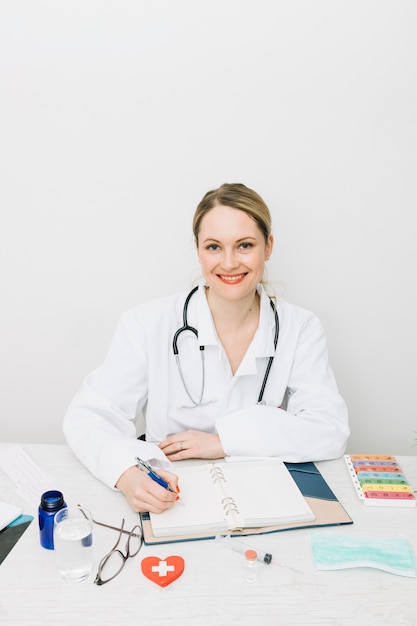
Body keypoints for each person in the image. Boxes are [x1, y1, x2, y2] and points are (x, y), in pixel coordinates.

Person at [63, 183, 349, 514]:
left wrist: (223, 441)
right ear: (198, 249)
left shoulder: (300, 327)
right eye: (214, 247)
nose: (229, 263)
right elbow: (89, 418)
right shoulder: (147, 323)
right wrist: (127, 475)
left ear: (268, 247)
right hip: (171, 494)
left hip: (259, 494)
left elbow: (330, 430)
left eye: (244, 245)